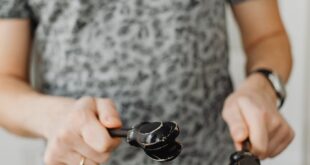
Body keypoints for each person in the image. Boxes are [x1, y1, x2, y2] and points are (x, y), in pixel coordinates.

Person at [0, 0, 294, 164]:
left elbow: (267, 37)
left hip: (212, 155)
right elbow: (4, 81)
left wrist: (263, 87)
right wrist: (53, 118)